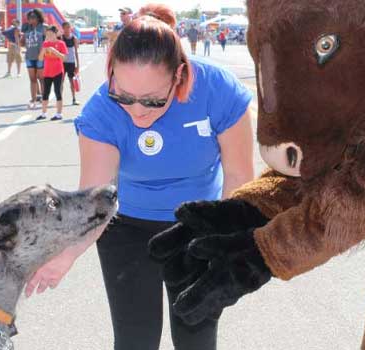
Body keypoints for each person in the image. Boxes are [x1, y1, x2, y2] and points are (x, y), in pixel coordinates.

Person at [25, 5, 255, 350]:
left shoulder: (218, 90)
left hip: (199, 226)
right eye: (124, 96)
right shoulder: (100, 112)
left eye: (152, 100)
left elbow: (239, 175)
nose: (137, 112)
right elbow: (96, 199)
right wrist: (66, 252)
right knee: (135, 339)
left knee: (196, 337)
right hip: (127, 227)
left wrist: (225, 244)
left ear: (179, 75)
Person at [37, 26, 67, 121]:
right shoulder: (45, 44)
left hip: (58, 71)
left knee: (58, 91)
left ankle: (59, 114)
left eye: (51, 34)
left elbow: (64, 58)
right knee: (45, 93)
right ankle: (43, 113)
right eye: (47, 34)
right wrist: (44, 50)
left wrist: (54, 51)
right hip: (47, 72)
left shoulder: (61, 43)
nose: (49, 36)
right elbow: (40, 58)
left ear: (56, 34)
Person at [22, 10, 46, 109]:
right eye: (29, 17)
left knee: (41, 79)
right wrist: (19, 37)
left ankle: (44, 98)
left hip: (40, 57)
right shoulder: (26, 28)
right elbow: (22, 42)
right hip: (29, 56)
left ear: (38, 18)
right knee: (32, 79)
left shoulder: (43, 27)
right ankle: (33, 99)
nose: (31, 19)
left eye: (33, 17)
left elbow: (52, 37)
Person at [61, 22, 80, 105]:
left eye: (68, 27)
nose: (67, 29)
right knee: (61, 82)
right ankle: (60, 100)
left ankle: (74, 99)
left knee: (72, 81)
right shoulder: (61, 38)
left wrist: (78, 65)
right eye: (65, 27)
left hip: (71, 62)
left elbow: (76, 52)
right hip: (62, 62)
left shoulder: (74, 38)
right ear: (63, 28)